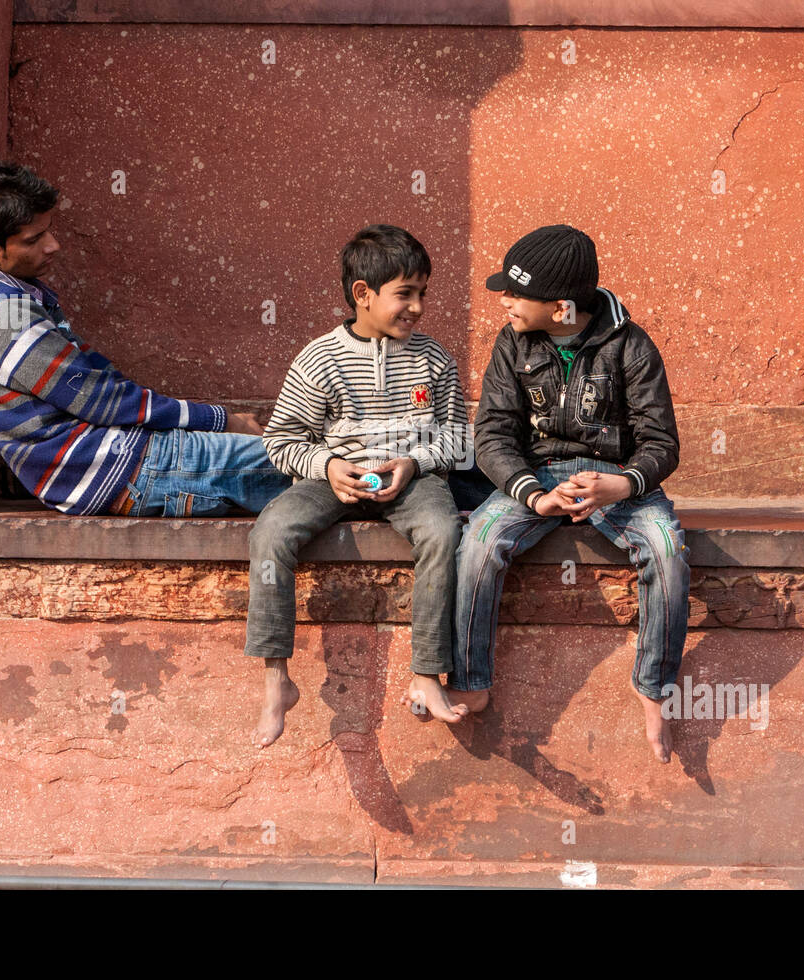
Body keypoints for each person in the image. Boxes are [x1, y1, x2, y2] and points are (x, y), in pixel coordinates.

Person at [447, 224, 691, 763]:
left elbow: (661, 443)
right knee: (480, 541)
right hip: (535, 475)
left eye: (515, 293)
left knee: (667, 552)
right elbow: (491, 436)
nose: (504, 301)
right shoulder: (512, 342)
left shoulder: (630, 344)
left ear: (560, 308)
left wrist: (621, 483)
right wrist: (533, 495)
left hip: (615, 479)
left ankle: (654, 686)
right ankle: (470, 679)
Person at [0, 162, 289, 518]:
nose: (53, 245)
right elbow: (98, 399)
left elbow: (98, 382)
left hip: (113, 458)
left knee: (307, 460)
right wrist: (221, 420)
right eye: (34, 240)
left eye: (48, 231)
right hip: (113, 469)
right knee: (314, 466)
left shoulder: (4, 297)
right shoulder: (1, 317)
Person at [246, 224, 469, 748]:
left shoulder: (433, 359)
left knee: (441, 530)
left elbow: (459, 439)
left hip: (412, 481)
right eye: (404, 294)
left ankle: (428, 673)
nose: (416, 307)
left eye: (422, 294)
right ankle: (276, 678)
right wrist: (326, 467)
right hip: (334, 480)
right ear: (362, 295)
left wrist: (414, 463)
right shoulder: (321, 358)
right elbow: (281, 440)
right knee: (272, 530)